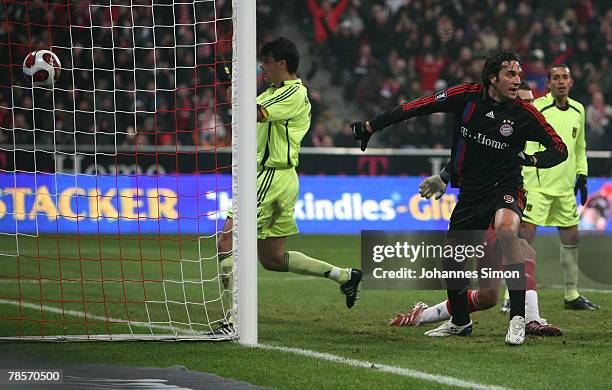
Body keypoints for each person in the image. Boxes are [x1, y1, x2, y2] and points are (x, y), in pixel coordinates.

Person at [352, 50, 568, 345]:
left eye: (519, 74)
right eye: (511, 74)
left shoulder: (524, 113)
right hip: (472, 193)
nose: (518, 80)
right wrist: (373, 125)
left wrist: (531, 160)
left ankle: (519, 318)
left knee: (508, 232)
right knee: (454, 259)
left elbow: (559, 149)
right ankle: (459, 322)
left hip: (506, 187)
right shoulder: (467, 97)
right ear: (492, 78)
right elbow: (420, 106)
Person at [207, 37, 362, 336]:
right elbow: (249, 110)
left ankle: (235, 318)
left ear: (282, 63)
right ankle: (344, 276)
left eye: (266, 61)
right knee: (273, 259)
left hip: (269, 177)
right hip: (276, 179)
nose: (262, 67)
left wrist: (234, 90)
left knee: (226, 241)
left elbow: (251, 112)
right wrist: (233, 92)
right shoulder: (274, 92)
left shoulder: (292, 93)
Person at [393, 81, 562, 336]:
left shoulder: (521, 130)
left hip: (512, 195)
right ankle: (528, 319)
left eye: (530, 103)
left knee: (488, 296)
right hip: (484, 206)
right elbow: (467, 157)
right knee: (520, 250)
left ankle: (426, 315)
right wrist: (444, 175)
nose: (526, 106)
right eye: (523, 102)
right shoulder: (489, 124)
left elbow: (557, 151)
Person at [519, 64, 598, 310]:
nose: (561, 81)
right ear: (548, 84)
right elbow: (525, 143)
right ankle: (513, 295)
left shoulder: (578, 110)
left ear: (571, 82)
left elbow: (579, 147)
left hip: (564, 188)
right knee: (523, 238)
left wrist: (582, 175)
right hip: (538, 186)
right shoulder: (538, 108)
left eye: (565, 77)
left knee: (572, 237)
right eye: (556, 78)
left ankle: (572, 294)